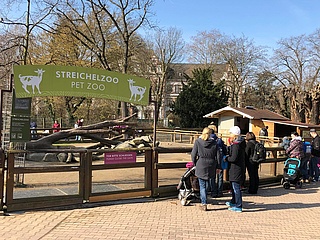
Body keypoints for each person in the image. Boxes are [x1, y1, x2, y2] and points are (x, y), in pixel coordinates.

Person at [191, 127, 218, 211]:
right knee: (208, 182)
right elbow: (218, 156)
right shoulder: (214, 143)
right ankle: (206, 197)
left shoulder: (198, 142)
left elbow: (193, 154)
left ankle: (204, 203)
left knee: (202, 185)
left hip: (201, 163)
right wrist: (218, 166)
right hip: (211, 163)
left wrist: (195, 162)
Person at [225, 126, 246, 213]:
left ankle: (238, 205)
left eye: (230, 133)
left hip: (236, 169)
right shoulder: (239, 144)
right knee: (234, 187)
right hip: (237, 168)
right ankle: (234, 201)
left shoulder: (236, 146)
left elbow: (233, 158)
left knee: (236, 188)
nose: (229, 135)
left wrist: (226, 158)